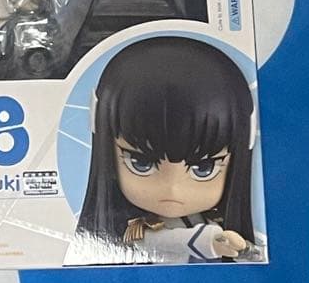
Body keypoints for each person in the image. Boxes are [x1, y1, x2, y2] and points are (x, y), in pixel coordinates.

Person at [72, 36, 258, 264]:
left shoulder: (211, 220)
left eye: (204, 168)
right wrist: (210, 241)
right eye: (141, 163)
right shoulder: (139, 230)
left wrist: (244, 249)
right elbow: (162, 241)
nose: (173, 188)